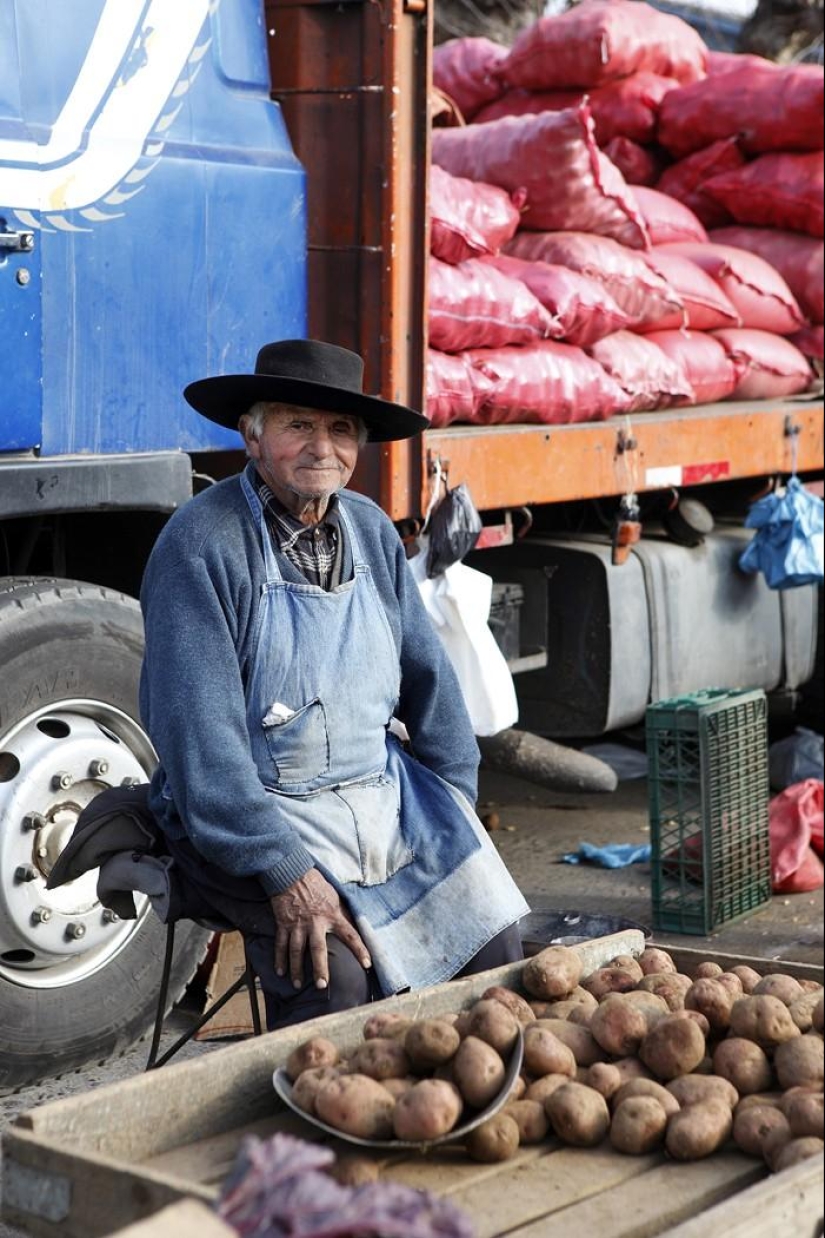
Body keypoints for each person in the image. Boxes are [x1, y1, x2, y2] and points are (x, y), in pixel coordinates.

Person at [139, 338, 529, 1030]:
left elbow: (430, 684)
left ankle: (443, 1121)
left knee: (493, 950)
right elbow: (203, 745)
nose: (323, 447)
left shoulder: (371, 530)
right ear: (251, 437)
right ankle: (313, 1134)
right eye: (298, 425)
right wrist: (285, 869)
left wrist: (454, 809)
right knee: (333, 978)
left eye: (341, 430)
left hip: (376, 795)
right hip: (247, 813)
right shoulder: (201, 542)